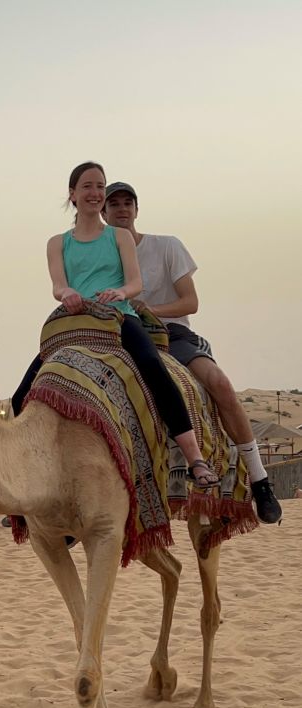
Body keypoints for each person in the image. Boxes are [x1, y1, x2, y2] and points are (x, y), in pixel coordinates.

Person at [16, 160, 220, 489]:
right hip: (75, 321)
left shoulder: (119, 236)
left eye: (100, 186)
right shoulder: (57, 242)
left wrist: (120, 292)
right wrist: (66, 292)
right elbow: (58, 285)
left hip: (118, 315)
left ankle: (195, 457)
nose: (95, 193)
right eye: (87, 186)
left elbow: (135, 283)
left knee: (153, 367)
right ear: (72, 195)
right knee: (20, 395)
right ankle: (31, 478)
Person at [102, 181, 282, 524]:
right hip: (121, 337)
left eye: (128, 203)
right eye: (114, 205)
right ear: (104, 212)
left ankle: (260, 480)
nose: (122, 209)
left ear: (137, 210)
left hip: (172, 334)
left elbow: (191, 301)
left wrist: (147, 307)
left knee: (220, 384)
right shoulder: (102, 256)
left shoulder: (166, 246)